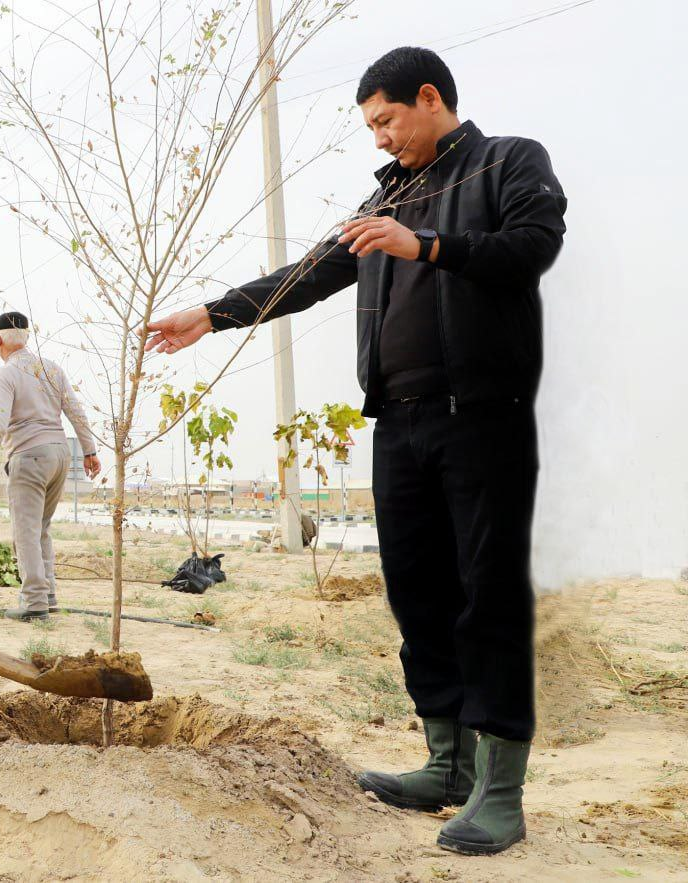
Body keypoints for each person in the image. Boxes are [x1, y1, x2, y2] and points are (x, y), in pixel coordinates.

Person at [144, 47, 566, 855]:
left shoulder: (507, 162)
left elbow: (531, 249)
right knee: (417, 593)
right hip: (399, 424)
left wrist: (427, 246)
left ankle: (500, 789)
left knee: (489, 597)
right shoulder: (391, 195)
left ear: (430, 97)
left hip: (483, 416)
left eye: (386, 120)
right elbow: (310, 273)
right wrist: (210, 312)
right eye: (371, 126)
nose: (378, 139)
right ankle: (447, 764)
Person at [0, 312, 101, 621]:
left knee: (25, 532)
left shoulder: (6, 374)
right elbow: (76, 411)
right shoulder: (51, 369)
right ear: (26, 338)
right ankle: (48, 595)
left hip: (29, 456)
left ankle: (34, 603)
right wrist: (89, 450)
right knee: (41, 529)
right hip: (59, 455)